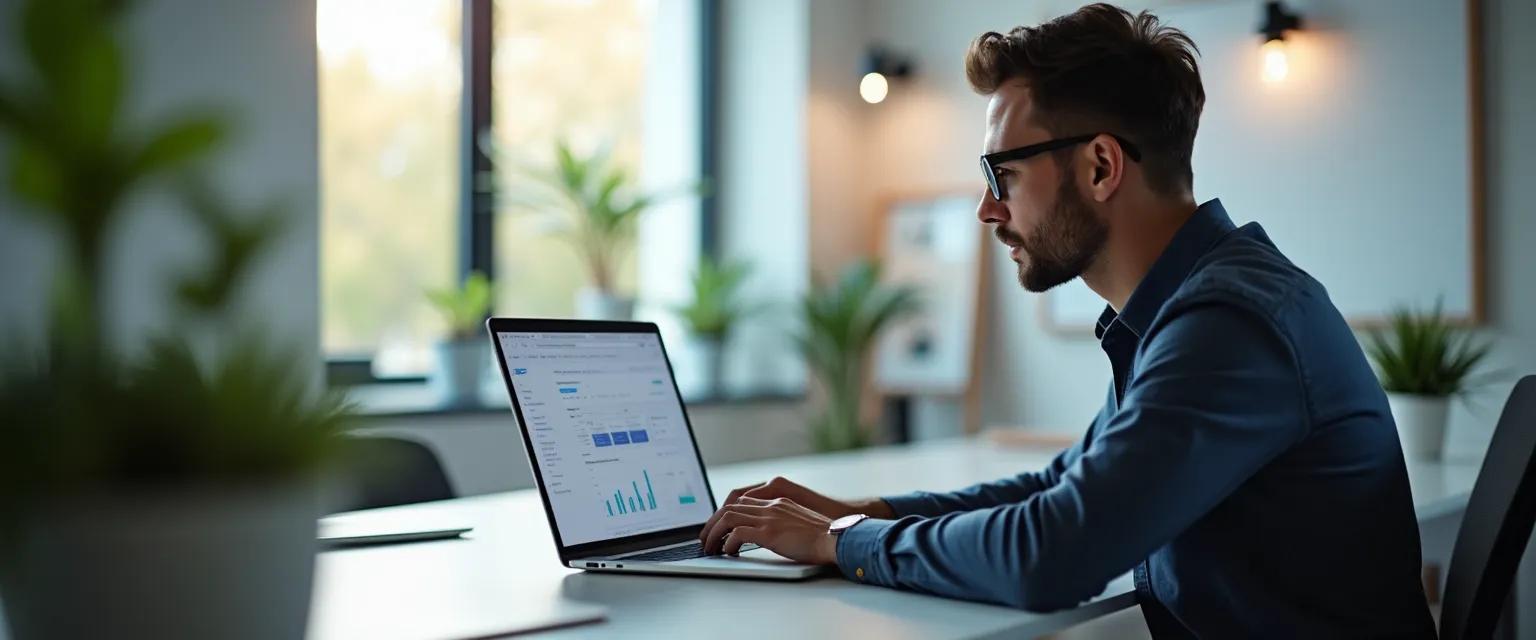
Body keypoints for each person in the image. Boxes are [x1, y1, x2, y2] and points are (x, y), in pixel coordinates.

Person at [697, 4, 1437, 637]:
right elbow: (1059, 488)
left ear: (1101, 167)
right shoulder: (1186, 310)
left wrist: (842, 541)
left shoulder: (1229, 325)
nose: (987, 208)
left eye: (1003, 175)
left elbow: (1052, 554)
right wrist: (860, 511)